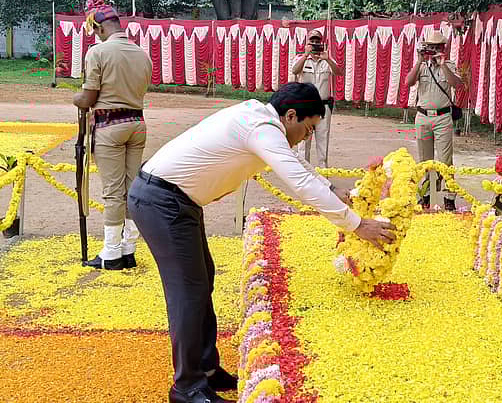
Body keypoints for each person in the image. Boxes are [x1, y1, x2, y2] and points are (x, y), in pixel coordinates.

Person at [127, 83, 397, 403]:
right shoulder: (262, 128)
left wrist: (331, 188)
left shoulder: (261, 121)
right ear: (291, 115)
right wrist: (357, 225)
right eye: (309, 128)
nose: (308, 137)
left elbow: (297, 166)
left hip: (175, 201)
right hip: (162, 201)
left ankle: (207, 369)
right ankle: (186, 387)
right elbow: (297, 180)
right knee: (188, 291)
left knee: (202, 280)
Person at [73, 0, 152, 270]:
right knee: (131, 189)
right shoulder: (142, 54)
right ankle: (129, 249)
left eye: (94, 29)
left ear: (101, 27)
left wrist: (76, 99)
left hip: (110, 126)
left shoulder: (98, 52)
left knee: (112, 192)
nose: (94, 34)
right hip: (137, 124)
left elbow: (89, 98)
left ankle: (111, 253)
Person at [404, 30, 462, 210]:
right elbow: (408, 82)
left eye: (438, 47)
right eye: (431, 47)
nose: (434, 50)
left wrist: (442, 64)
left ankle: (449, 197)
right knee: (424, 160)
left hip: (443, 117)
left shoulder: (449, 65)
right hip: (423, 116)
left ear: (443, 48)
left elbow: (457, 85)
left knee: (446, 160)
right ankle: (426, 194)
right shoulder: (421, 66)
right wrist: (420, 60)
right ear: (426, 47)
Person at [291, 30, 343, 166]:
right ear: (307, 43)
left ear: (321, 43)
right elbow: (295, 71)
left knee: (322, 143)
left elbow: (339, 72)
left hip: (323, 107)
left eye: (317, 41)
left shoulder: (327, 59)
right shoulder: (300, 58)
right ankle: (305, 178)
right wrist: (305, 55)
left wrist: (327, 59)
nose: (314, 44)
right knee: (303, 144)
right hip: (305, 107)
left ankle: (323, 177)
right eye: (312, 41)